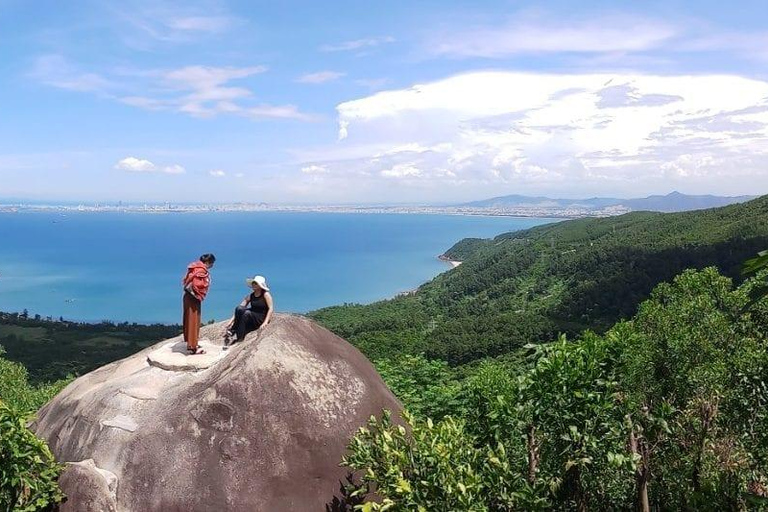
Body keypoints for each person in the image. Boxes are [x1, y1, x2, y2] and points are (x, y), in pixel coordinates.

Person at [225, 275, 273, 345]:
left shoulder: (265, 294)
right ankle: (233, 330)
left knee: (246, 313)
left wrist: (265, 322)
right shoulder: (251, 295)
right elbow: (239, 309)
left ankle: (239, 338)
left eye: (255, 283)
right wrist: (231, 320)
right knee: (239, 308)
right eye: (253, 283)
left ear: (260, 285)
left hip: (260, 317)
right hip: (251, 315)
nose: (253, 284)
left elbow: (270, 308)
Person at [182, 253, 215, 355]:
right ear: (208, 262)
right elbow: (198, 284)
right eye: (212, 263)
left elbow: (186, 281)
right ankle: (193, 347)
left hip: (187, 297)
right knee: (194, 320)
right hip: (193, 297)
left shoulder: (194, 267)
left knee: (188, 319)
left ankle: (191, 342)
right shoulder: (201, 270)